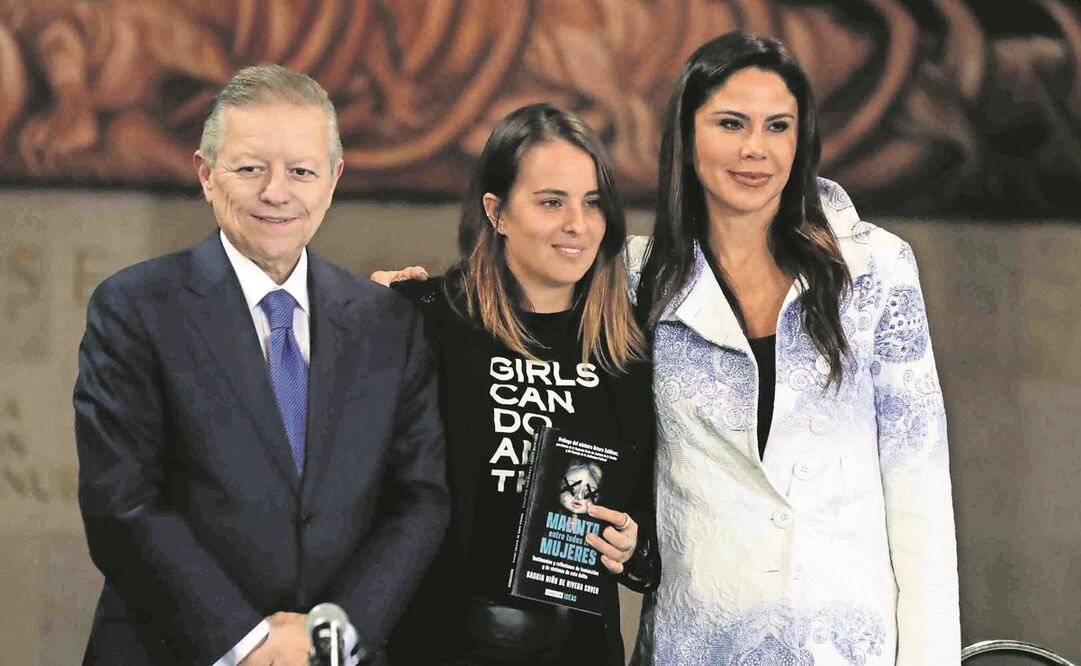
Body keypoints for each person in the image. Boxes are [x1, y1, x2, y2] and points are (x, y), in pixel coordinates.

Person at [73, 64, 448, 666]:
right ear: (206, 173)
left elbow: (420, 501)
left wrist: (329, 637)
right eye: (250, 169)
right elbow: (122, 503)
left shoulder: (387, 323)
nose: (277, 192)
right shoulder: (135, 308)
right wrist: (251, 645)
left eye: (301, 171)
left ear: (333, 180)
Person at [628, 31, 960, 664]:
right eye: (731, 123)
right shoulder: (636, 281)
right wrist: (430, 301)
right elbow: (527, 315)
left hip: (845, 649)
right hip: (694, 645)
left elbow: (919, 489)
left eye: (777, 126)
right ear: (687, 136)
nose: (756, 148)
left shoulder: (875, 268)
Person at [386, 103, 659, 666]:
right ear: (497, 212)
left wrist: (631, 545)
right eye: (551, 201)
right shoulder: (426, 320)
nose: (576, 224)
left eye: (592, 202)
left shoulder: (628, 351)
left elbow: (653, 524)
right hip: (440, 647)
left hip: (580, 651)